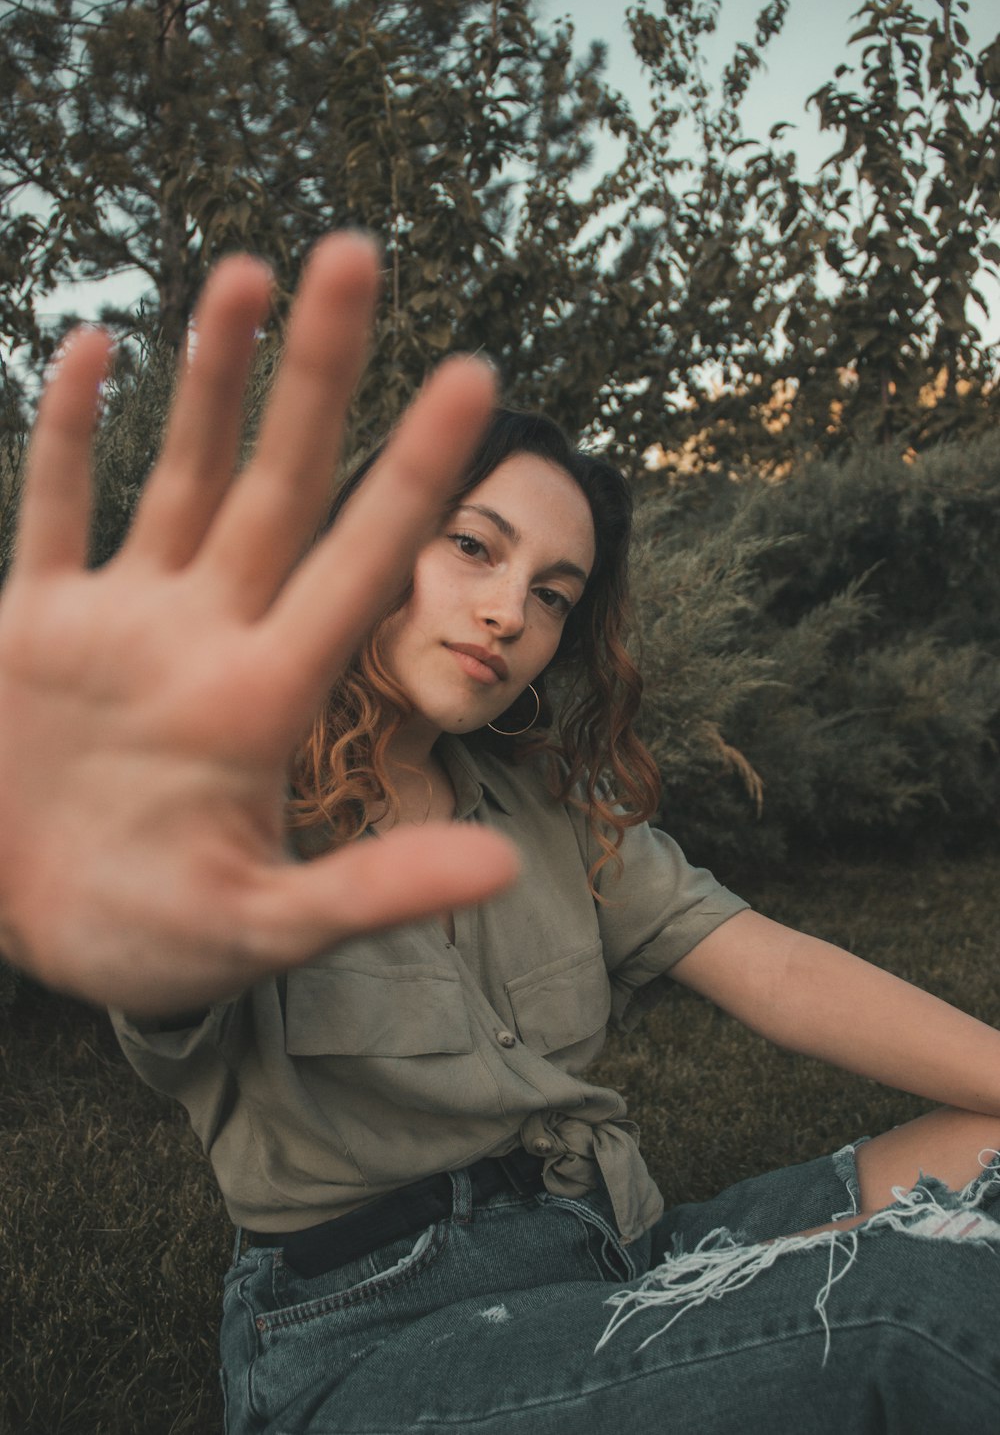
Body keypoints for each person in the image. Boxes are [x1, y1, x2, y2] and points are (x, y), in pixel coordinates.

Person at [3, 233, 1000, 1433]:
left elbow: (770, 964)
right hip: (378, 1338)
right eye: (472, 546)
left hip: (625, 1261)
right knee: (907, 1308)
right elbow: (165, 962)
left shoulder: (543, 808)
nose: (506, 611)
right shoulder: (232, 804)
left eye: (552, 594)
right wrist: (137, 909)